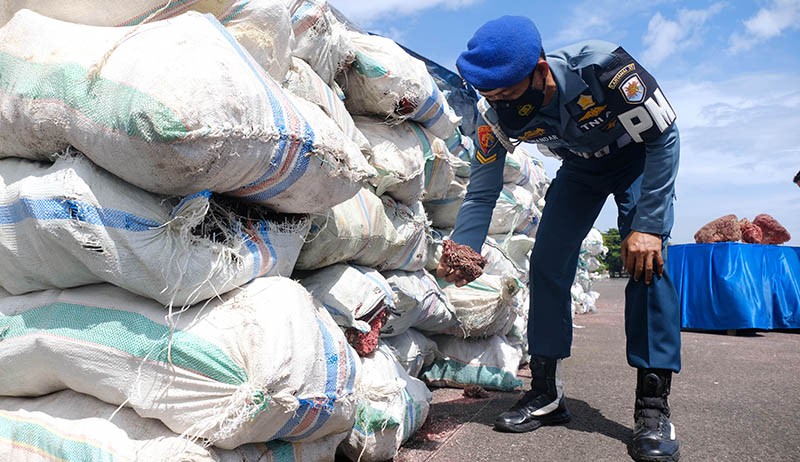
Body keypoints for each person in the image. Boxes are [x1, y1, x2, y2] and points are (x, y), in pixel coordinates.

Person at [436, 15, 682, 462]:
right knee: (547, 263)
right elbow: (484, 185)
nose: (502, 106)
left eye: (510, 94)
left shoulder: (605, 69)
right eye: (492, 96)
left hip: (637, 157)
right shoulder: (493, 112)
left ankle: (652, 408)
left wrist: (648, 225)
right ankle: (546, 394)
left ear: (541, 71)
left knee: (649, 266)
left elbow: (664, 137)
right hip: (580, 168)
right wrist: (465, 248)